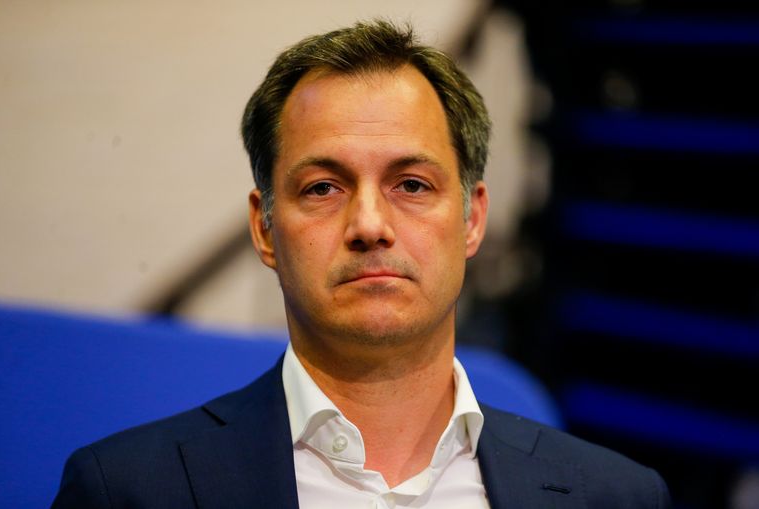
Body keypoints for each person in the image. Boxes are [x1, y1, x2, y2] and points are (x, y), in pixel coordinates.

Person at [52, 20, 671, 508]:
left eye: (412, 184)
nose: (370, 225)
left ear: (473, 219)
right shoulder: (125, 491)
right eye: (323, 188)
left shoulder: (616, 497)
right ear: (264, 229)